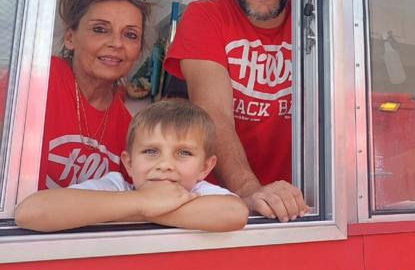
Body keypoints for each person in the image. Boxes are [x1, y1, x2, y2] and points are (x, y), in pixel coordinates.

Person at [164, 0, 308, 221]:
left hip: (301, 207)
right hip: (224, 205)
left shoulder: (316, 23)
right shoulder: (205, 16)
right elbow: (213, 113)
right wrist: (251, 191)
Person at [15, 99, 248, 232]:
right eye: (151, 151)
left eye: (183, 153)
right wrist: (142, 202)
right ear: (128, 163)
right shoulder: (116, 186)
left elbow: (234, 213)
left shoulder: (198, 192)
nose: (165, 164)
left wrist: (130, 211)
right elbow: (31, 212)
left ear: (205, 168)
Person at [40, 0, 151, 190]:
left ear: (138, 50)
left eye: (130, 35)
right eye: (100, 29)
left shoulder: (132, 130)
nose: (116, 44)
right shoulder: (40, 80)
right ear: (70, 38)